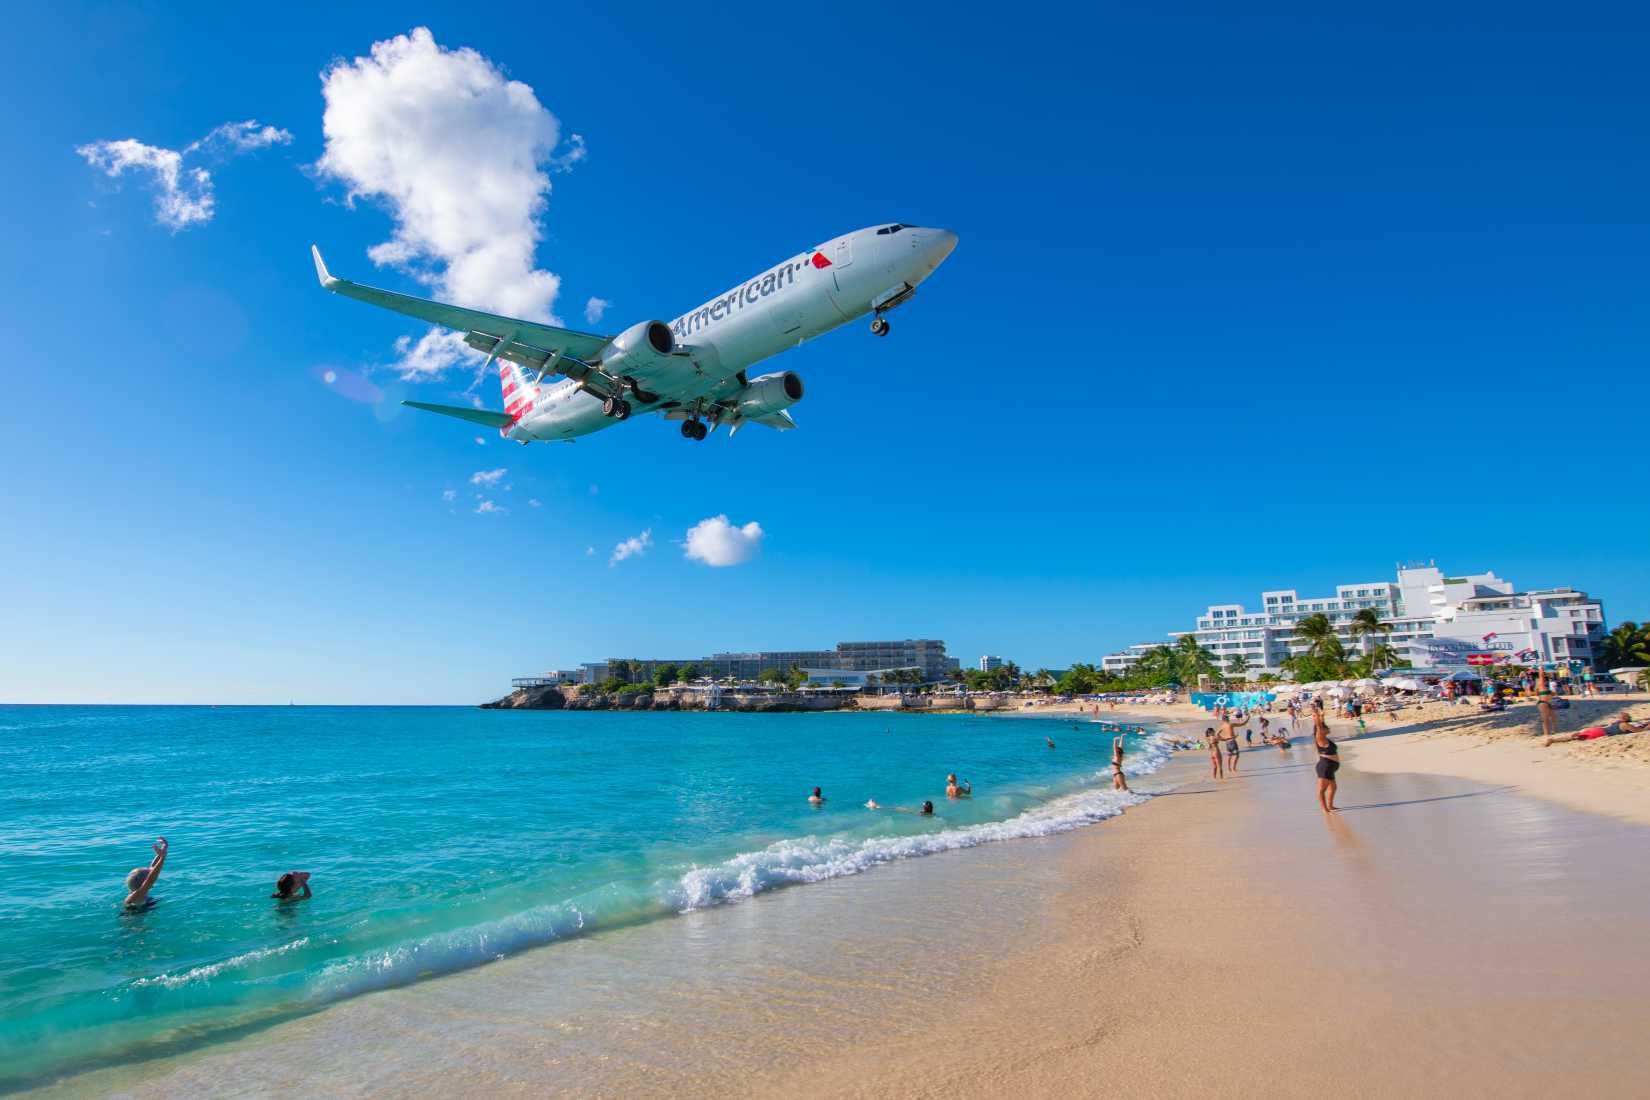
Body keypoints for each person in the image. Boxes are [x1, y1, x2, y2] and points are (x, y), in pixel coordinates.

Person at [1543, 712, 1648, 747]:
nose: (1619, 716)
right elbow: (1638, 731)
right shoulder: (1624, 725)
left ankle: (1554, 740)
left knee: (1575, 736)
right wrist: (1647, 727)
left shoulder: (1617, 723)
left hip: (1597, 729)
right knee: (1574, 738)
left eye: (1621, 715)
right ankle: (1554, 740)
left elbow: (1638, 725)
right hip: (1600, 733)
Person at [123, 837, 168, 910]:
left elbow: (152, 868)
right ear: (144, 883)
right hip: (133, 921)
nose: (152, 871)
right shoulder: (136, 896)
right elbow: (150, 880)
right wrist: (162, 857)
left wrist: (162, 851)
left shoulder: (138, 893)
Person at [1312, 706, 1340, 814]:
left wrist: (1322, 716)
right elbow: (1319, 726)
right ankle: (1324, 809)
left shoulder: (1325, 737)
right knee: (1322, 790)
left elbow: (1321, 725)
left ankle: (1330, 805)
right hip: (1325, 766)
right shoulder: (1320, 738)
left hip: (1330, 767)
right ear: (1321, 731)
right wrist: (1316, 717)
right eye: (1326, 728)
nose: (1329, 729)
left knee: (1333, 787)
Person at [1534, 668, 1557, 739]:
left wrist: (1553, 692)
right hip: (1543, 703)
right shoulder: (1541, 686)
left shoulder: (1545, 688)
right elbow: (1541, 676)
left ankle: (1554, 731)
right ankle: (1546, 733)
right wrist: (1541, 668)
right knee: (1545, 719)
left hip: (1548, 703)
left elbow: (1553, 694)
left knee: (1554, 717)